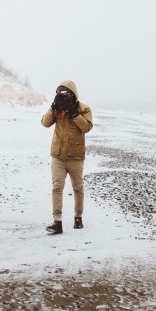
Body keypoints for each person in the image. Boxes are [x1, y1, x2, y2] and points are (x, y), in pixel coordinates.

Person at [41, 80, 93, 234]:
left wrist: (74, 113)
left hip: (76, 157)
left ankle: (78, 217)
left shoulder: (84, 108)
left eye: (66, 93)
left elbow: (86, 127)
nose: (63, 97)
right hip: (58, 156)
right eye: (60, 93)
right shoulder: (57, 108)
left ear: (73, 94)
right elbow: (45, 123)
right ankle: (57, 222)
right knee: (57, 187)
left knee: (78, 187)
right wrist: (53, 107)